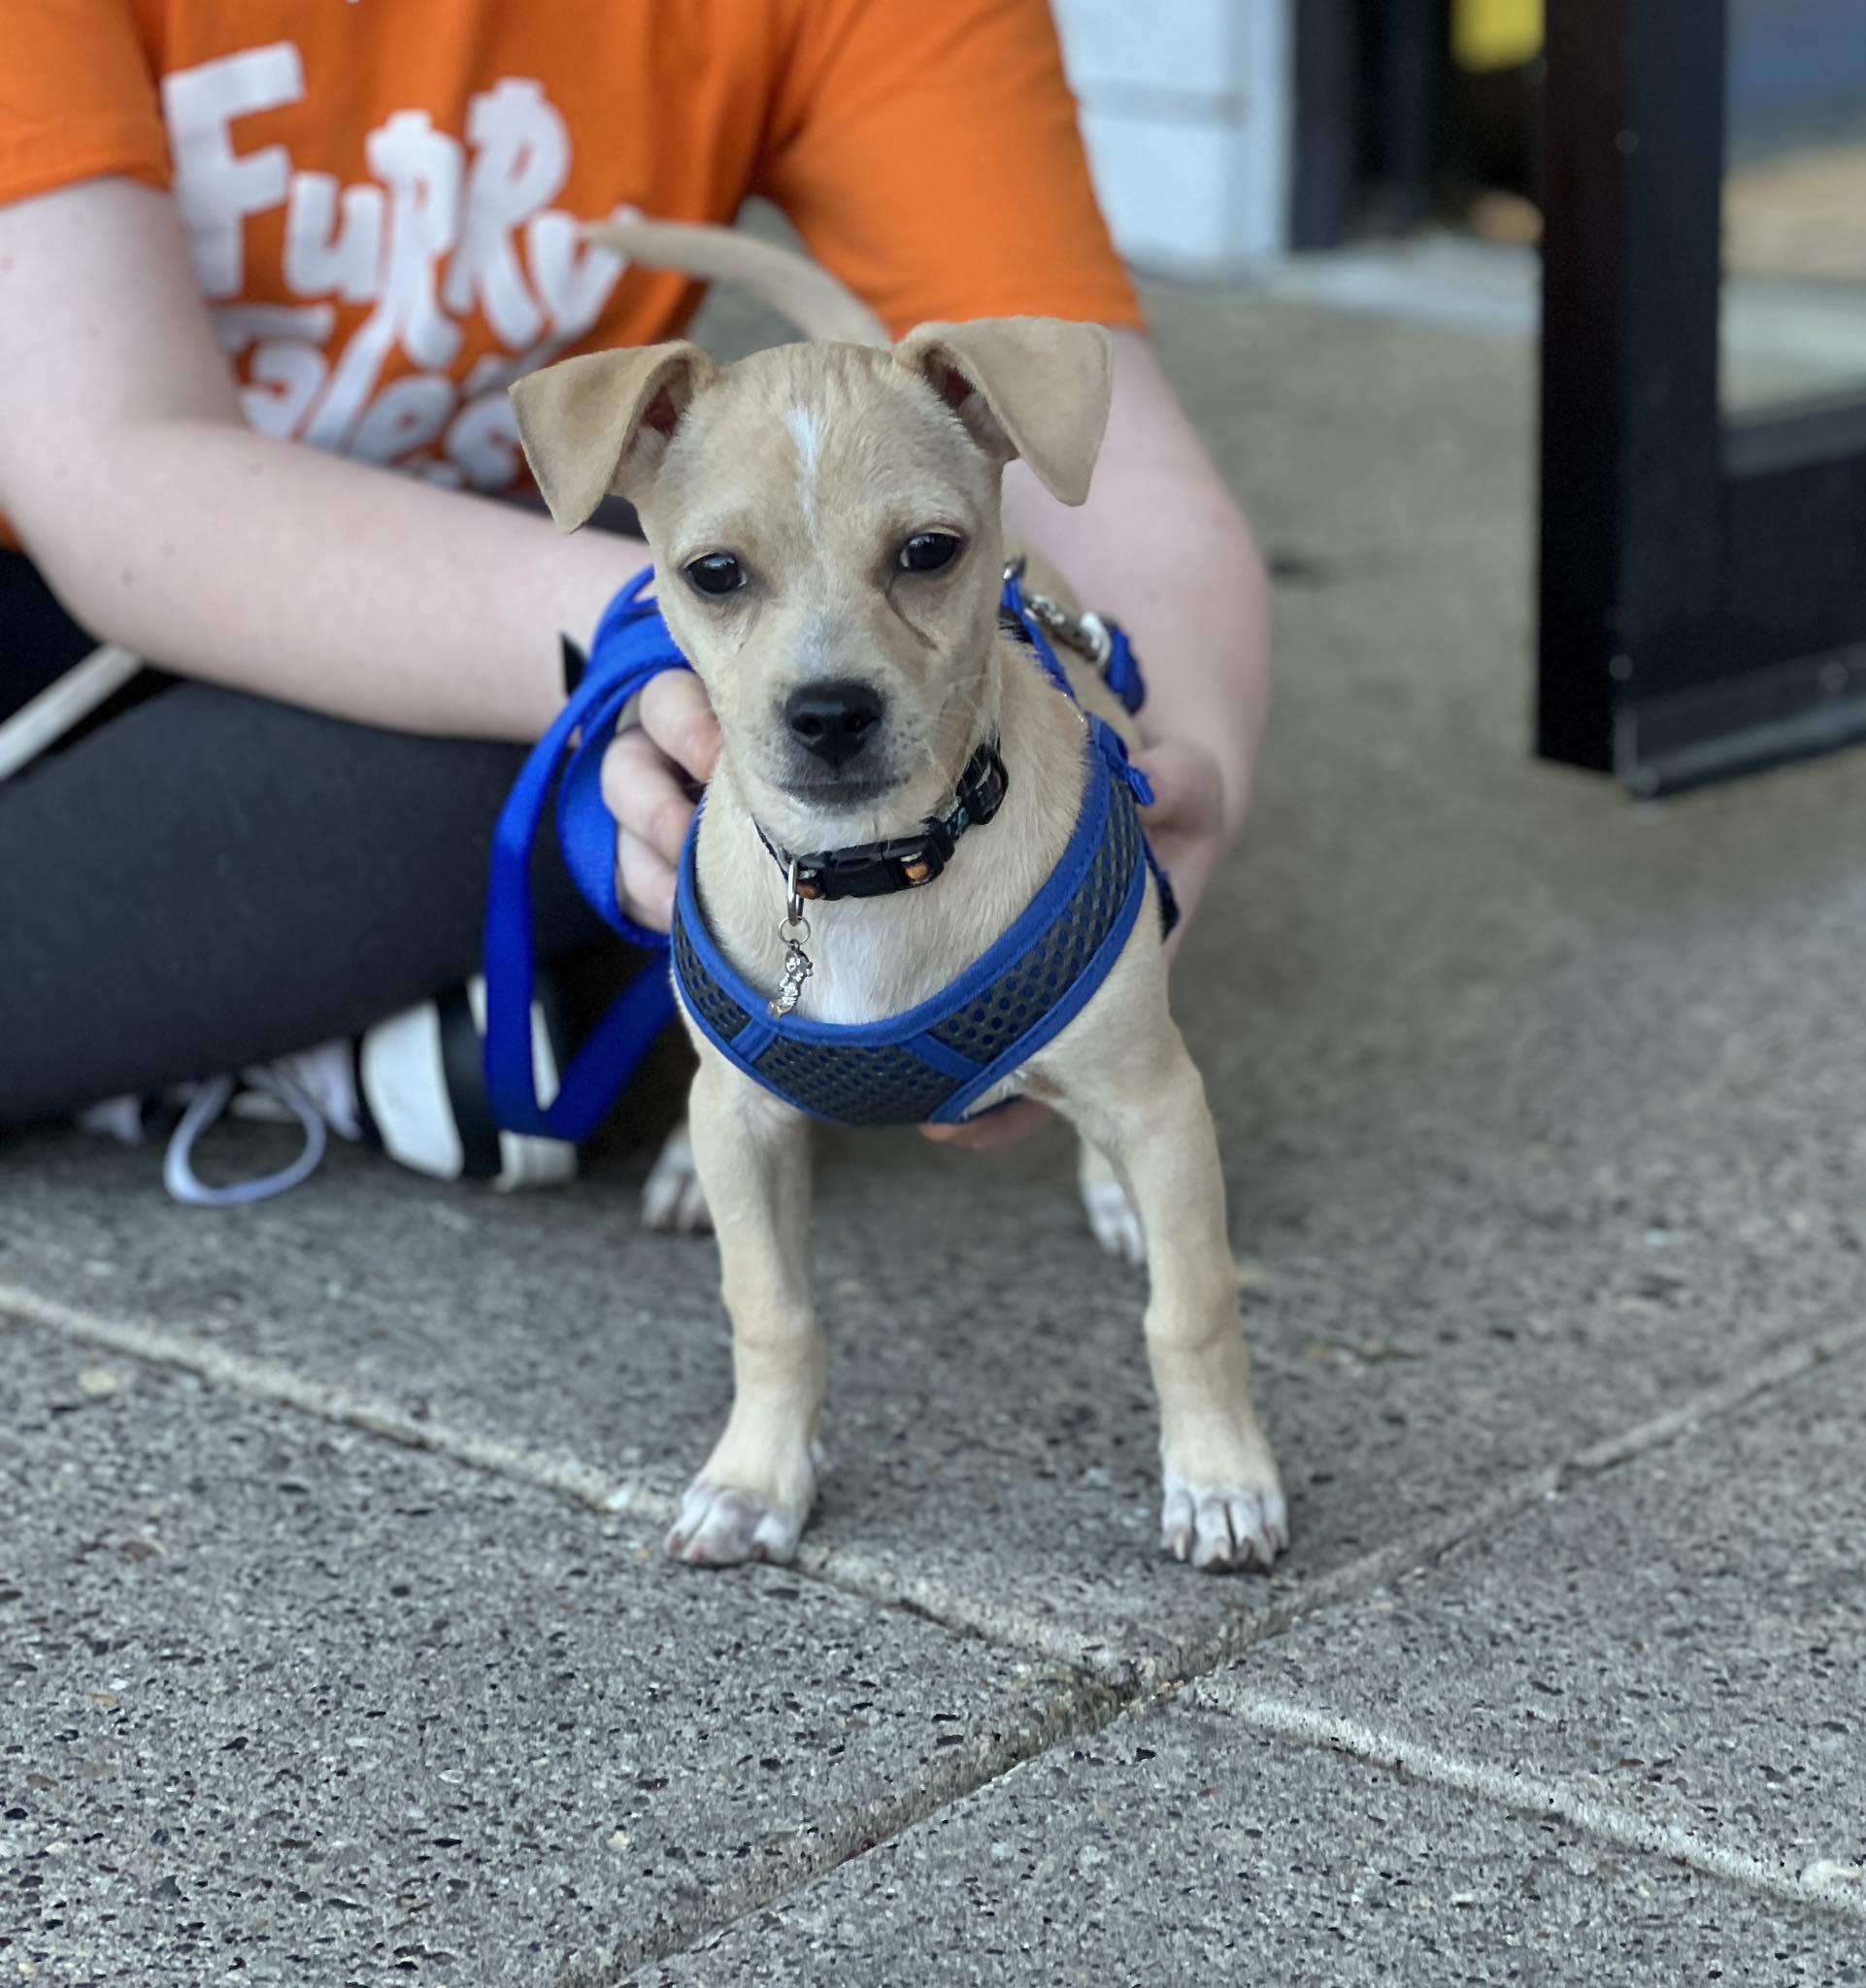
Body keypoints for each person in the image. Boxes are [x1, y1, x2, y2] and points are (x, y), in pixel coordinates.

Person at [0, 0, 1272, 1193]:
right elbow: (111, 469)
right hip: (65, 593)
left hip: (441, 563)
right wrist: (635, 641)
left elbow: (1115, 475)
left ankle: (276, 995)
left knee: (684, 767)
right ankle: (300, 1014)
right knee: (648, 747)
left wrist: (1166, 771)